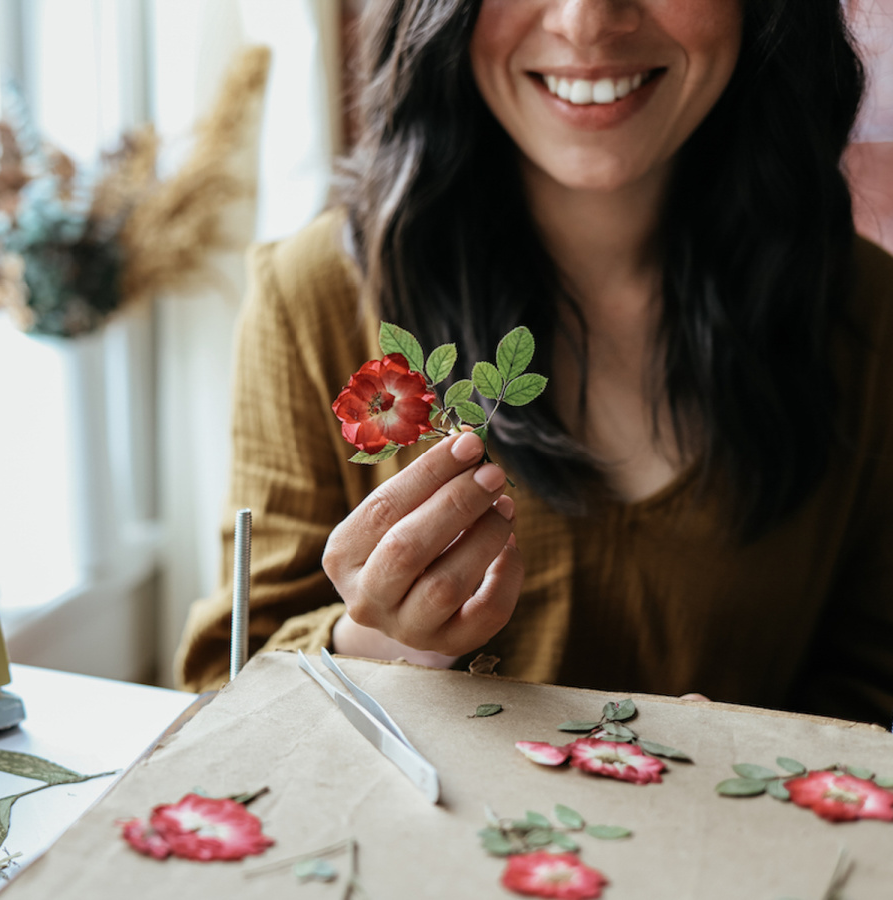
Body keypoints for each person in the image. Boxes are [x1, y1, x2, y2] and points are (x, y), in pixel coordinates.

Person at [175, 0, 893, 726]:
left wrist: (763, 758)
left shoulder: (872, 314)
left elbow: (875, 678)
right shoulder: (313, 298)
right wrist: (383, 641)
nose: (585, 21)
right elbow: (222, 688)